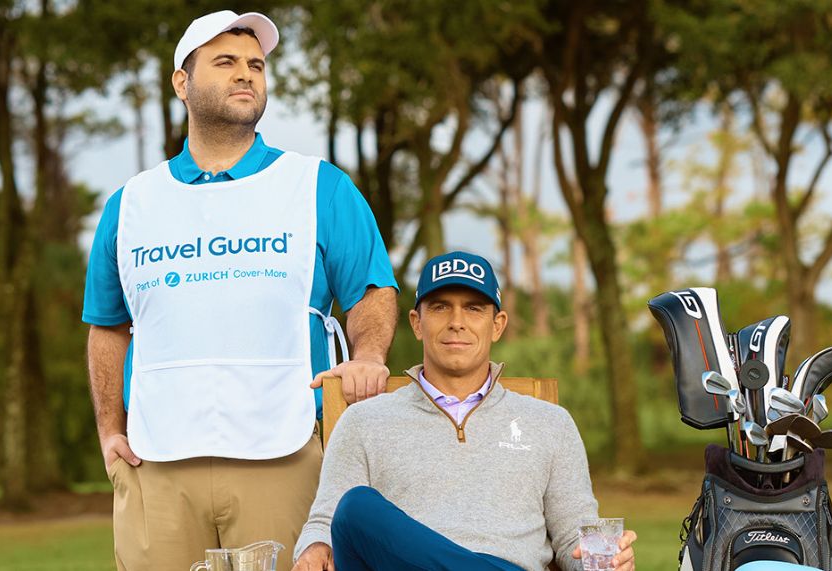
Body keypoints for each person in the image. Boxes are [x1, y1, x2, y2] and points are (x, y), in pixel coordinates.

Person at [82, 10, 398, 571]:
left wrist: (370, 354)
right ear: (182, 82)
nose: (246, 74)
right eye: (225, 62)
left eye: (256, 65)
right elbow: (107, 324)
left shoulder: (317, 185)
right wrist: (110, 428)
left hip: (287, 448)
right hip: (156, 461)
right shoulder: (130, 204)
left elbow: (373, 289)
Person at [292, 251, 637, 571]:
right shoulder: (364, 421)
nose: (457, 322)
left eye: (473, 308)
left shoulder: (550, 424)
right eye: (441, 307)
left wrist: (608, 560)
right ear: (416, 322)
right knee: (355, 509)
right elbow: (325, 521)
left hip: (509, 562)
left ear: (497, 324)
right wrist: (314, 545)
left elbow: (573, 540)